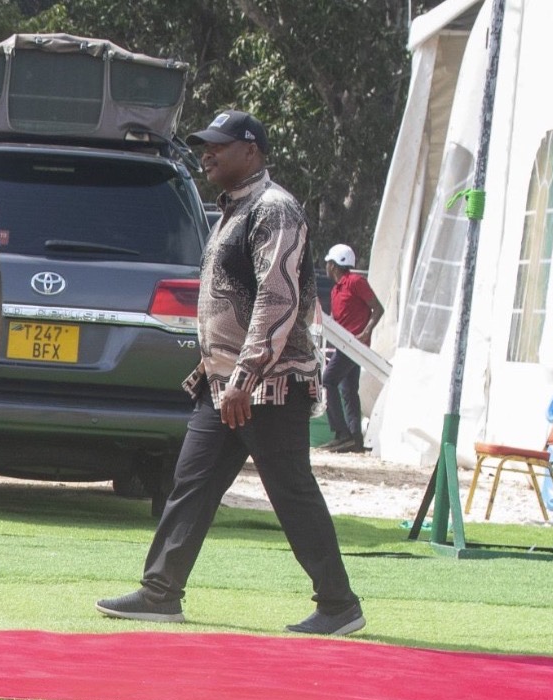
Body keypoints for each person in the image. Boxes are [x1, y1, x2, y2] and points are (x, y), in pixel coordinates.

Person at [97, 112, 362, 636]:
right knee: (190, 484)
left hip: (267, 383)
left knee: (290, 490)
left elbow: (277, 297)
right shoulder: (234, 211)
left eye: (219, 145)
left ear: (252, 151)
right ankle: (160, 592)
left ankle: (338, 604)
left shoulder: (275, 210)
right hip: (224, 383)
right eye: (204, 146)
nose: (207, 153)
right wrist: (223, 373)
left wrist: (246, 376)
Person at [321, 242, 378, 453]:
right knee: (348, 390)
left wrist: (366, 332)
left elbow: (377, 308)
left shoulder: (355, 282)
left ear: (335, 265)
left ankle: (341, 433)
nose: (326, 266)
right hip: (344, 345)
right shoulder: (337, 289)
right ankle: (355, 439)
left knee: (328, 380)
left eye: (328, 263)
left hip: (353, 346)